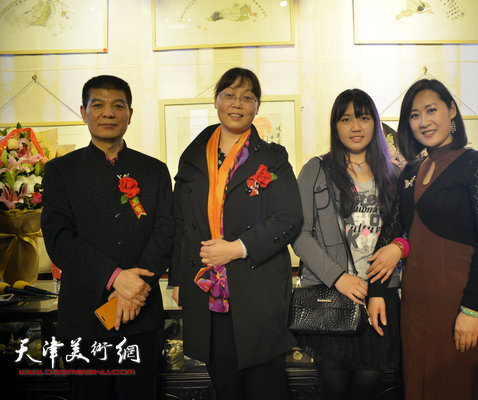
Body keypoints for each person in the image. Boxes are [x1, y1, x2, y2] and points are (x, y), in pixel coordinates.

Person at [169, 67, 302, 399]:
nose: (237, 103)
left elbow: (289, 218)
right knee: (225, 385)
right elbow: (179, 223)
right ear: (216, 101)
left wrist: (238, 248)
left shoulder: (272, 158)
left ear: (257, 106)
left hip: (258, 288)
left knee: (266, 386)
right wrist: (177, 280)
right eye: (229, 95)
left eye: (247, 97)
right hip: (205, 288)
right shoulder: (193, 156)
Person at [368, 79, 478, 399]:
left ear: (451, 110)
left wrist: (472, 310)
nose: (424, 121)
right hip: (414, 302)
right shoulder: (410, 171)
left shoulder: (477, 164)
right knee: (418, 385)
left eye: (431, 110)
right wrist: (375, 291)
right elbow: (392, 231)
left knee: (453, 386)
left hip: (457, 301)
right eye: (415, 115)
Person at [41, 75, 174, 399]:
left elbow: (166, 231)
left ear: (130, 113)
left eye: (118, 105)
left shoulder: (154, 170)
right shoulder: (60, 171)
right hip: (83, 318)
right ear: (84, 112)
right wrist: (115, 278)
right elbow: (59, 239)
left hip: (141, 316)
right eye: (98, 105)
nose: (109, 113)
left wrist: (134, 288)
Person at [292, 89, 403, 400]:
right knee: (335, 391)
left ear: (375, 123)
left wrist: (397, 250)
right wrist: (338, 277)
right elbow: (299, 234)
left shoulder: (393, 175)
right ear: (335, 125)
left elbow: (405, 231)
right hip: (331, 295)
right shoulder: (316, 170)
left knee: (368, 390)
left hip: (380, 296)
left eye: (364, 118)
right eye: (346, 119)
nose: (356, 127)